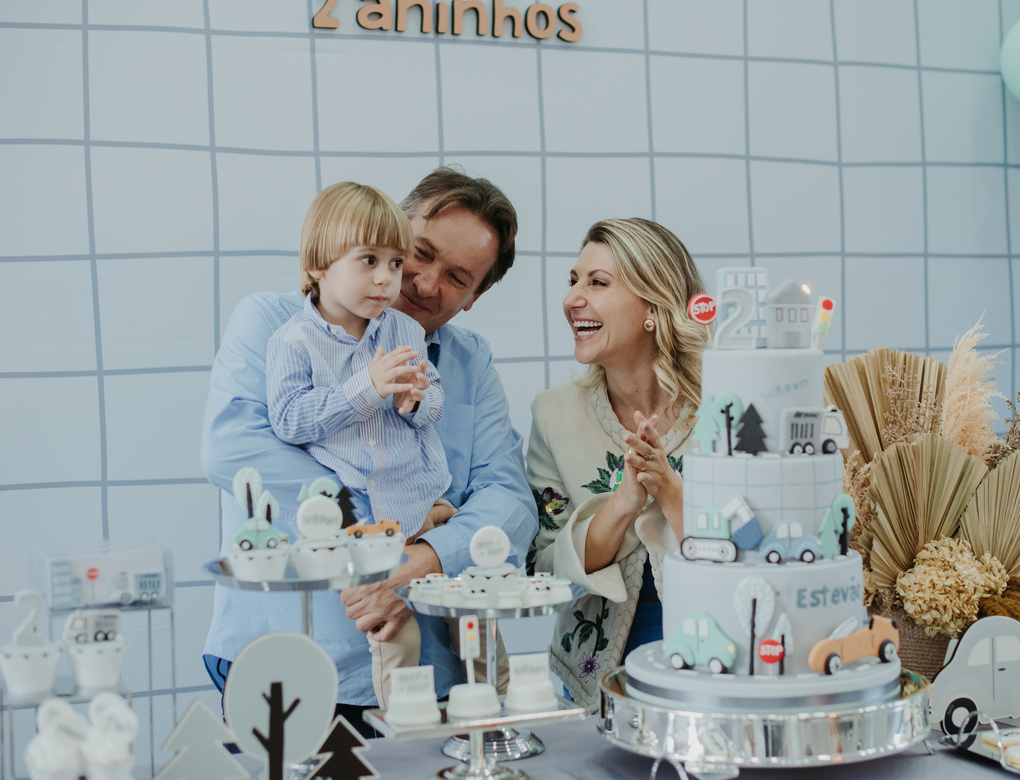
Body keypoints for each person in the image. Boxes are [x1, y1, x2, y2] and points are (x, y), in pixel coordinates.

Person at [202, 167, 537, 733]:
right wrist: (383, 547)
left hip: (434, 678)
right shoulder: (273, 326)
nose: (422, 282)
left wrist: (421, 562)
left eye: (457, 277)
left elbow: (509, 501)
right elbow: (236, 454)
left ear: (475, 297)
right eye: (419, 253)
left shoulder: (469, 362)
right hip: (290, 662)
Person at [263, 181, 451, 709]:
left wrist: (416, 402)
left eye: (396, 263)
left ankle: (502, 700)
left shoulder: (404, 331)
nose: (387, 279)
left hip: (420, 497)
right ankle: (401, 726)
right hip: (367, 526)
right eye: (369, 260)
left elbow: (436, 400)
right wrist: (365, 388)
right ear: (319, 265)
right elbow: (289, 420)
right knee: (394, 632)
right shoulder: (293, 341)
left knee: (472, 610)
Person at [526, 218, 707, 709]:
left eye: (597, 283)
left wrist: (668, 490)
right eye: (573, 281)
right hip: (597, 671)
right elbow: (544, 566)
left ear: (653, 305)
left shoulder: (728, 406)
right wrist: (623, 504)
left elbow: (760, 553)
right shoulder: (553, 415)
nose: (572, 299)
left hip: (718, 653)